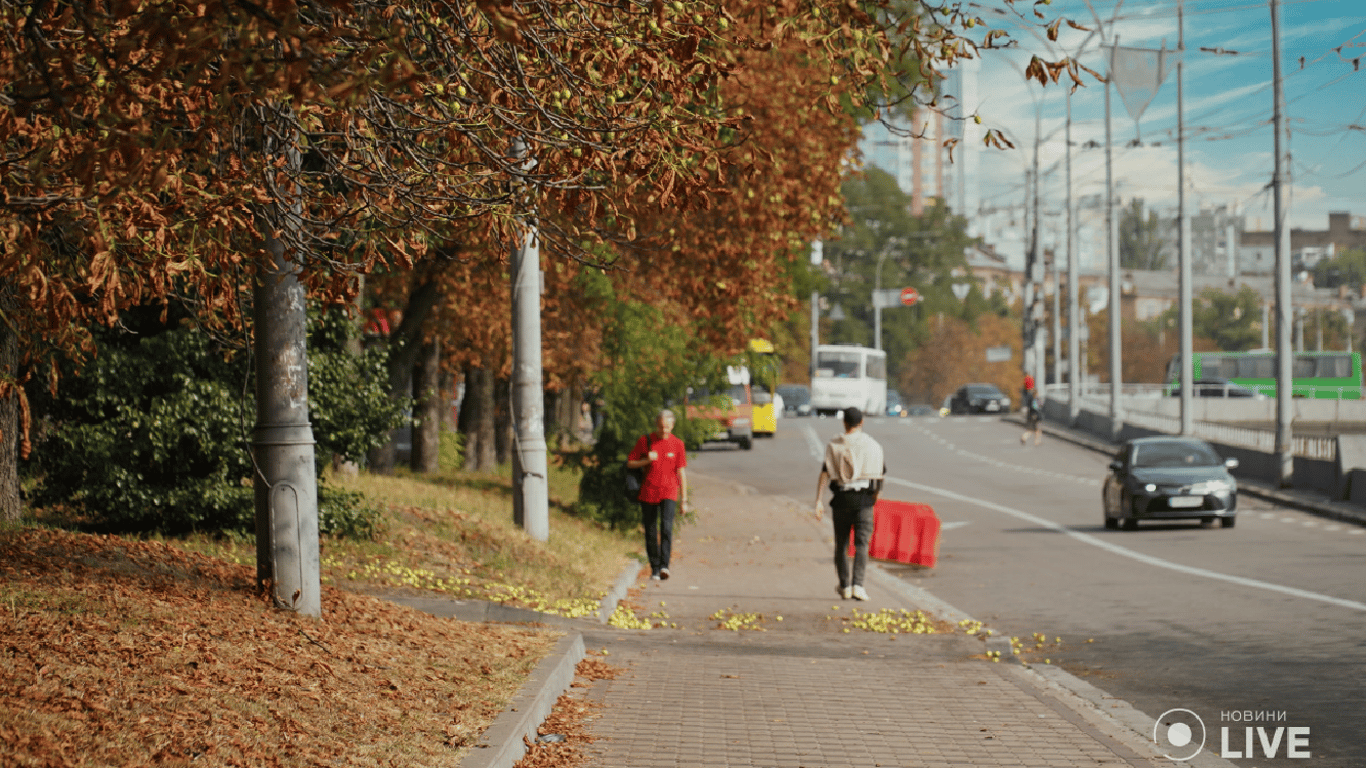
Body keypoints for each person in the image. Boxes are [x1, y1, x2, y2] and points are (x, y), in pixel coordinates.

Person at [813, 407, 884, 601]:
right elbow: (880, 474)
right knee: (862, 544)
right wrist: (876, 495)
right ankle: (858, 585)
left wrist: (818, 500)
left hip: (841, 501)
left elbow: (825, 472)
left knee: (841, 545)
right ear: (862, 422)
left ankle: (844, 585)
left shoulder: (835, 444)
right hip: (864, 501)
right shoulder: (873, 445)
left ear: (844, 423)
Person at [627, 409, 689, 581]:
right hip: (648, 492)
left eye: (667, 427)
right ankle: (654, 566)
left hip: (669, 491)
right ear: (656, 425)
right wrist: (646, 460)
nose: (664, 431)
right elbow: (630, 463)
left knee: (667, 528)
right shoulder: (646, 441)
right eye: (661, 427)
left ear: (673, 426)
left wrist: (684, 500)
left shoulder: (678, 444)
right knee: (651, 530)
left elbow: (681, 473)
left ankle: (664, 566)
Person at [1021, 380, 1042, 446]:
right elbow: (1039, 407)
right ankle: (1037, 441)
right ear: (1037, 393)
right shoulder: (1036, 399)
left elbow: (1028, 406)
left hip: (1030, 415)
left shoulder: (1030, 398)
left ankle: (1024, 437)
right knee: (1037, 430)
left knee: (1031, 429)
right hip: (1035, 416)